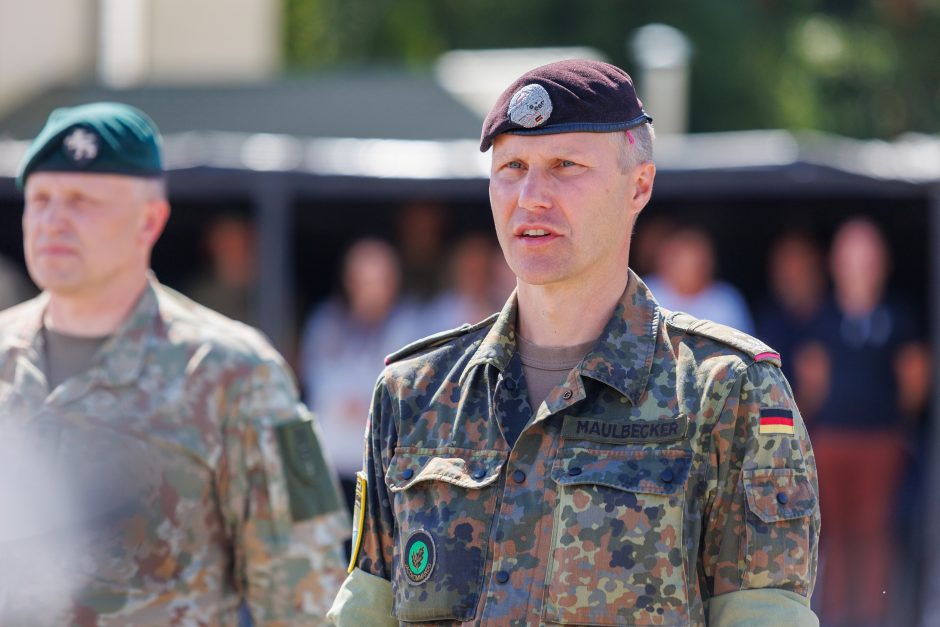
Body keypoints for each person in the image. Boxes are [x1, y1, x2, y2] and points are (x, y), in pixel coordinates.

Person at [329, 60, 820, 625]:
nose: (532, 195)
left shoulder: (727, 392)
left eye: (565, 166)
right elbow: (365, 610)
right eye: (512, 166)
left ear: (639, 185)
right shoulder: (414, 395)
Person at [0, 102, 348, 625]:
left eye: (82, 200)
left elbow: (304, 596)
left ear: (150, 221)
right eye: (41, 199)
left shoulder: (234, 372)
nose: (53, 221)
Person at [800, 218, 927, 627]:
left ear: (882, 264)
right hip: (833, 441)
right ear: (836, 264)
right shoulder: (823, 315)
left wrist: (893, 422)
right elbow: (811, 377)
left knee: (874, 533)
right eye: (851, 258)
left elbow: (915, 377)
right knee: (832, 533)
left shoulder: (897, 314)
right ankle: (834, 616)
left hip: (880, 440)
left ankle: (875, 616)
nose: (859, 267)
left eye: (867, 258)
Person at [299, 238, 419, 510]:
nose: (372, 289)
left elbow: (405, 395)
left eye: (380, 280)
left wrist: (363, 402)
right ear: (349, 281)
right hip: (329, 471)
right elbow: (320, 388)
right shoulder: (326, 322)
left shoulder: (411, 325)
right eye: (364, 280)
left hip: (387, 473)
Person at [644, 226, 755, 334]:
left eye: (695, 264)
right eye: (681, 263)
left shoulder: (726, 302)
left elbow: (741, 348)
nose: (687, 270)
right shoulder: (646, 293)